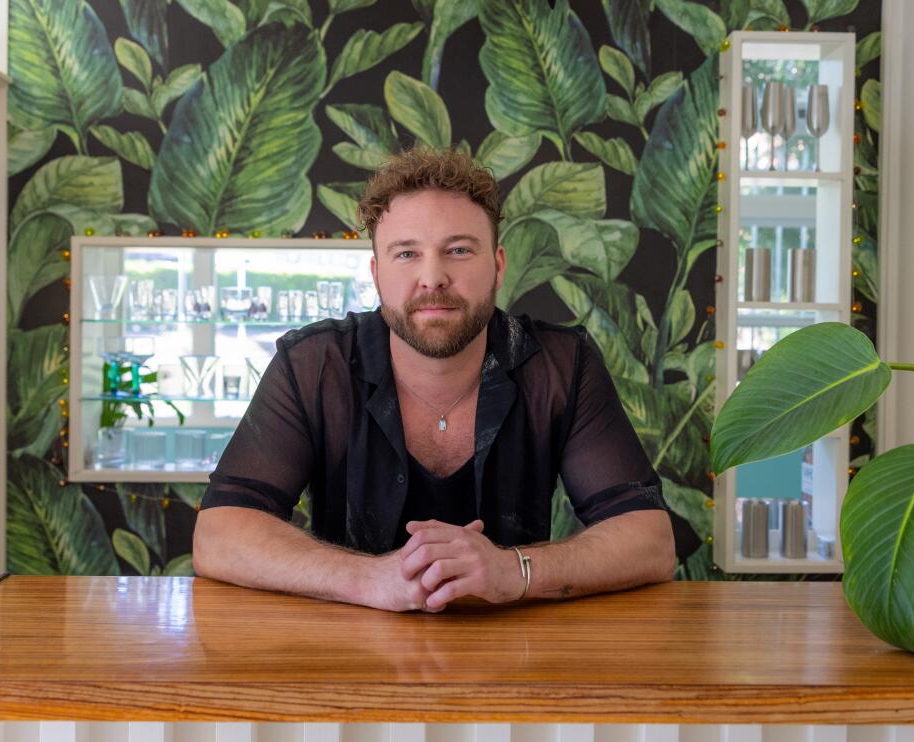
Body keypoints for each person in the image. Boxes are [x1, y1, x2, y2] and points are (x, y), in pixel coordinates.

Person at [193, 147, 675, 612]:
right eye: (406, 254)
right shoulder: (314, 364)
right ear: (377, 274)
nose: (433, 277)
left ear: (498, 266)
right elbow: (219, 534)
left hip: (516, 651)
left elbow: (650, 541)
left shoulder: (561, 365)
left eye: (458, 250)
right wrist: (370, 579)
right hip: (346, 652)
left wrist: (513, 571)